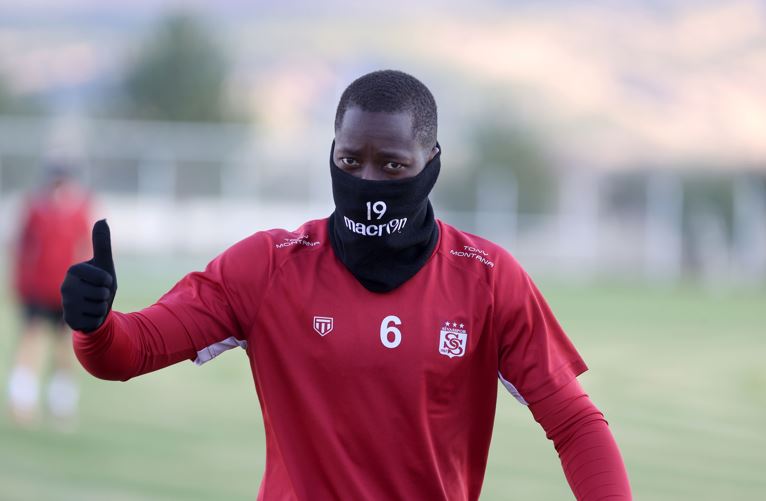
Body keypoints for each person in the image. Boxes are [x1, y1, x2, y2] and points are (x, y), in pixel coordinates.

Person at [61, 70, 631, 499]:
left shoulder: (487, 278)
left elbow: (576, 424)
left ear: (431, 162)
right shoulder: (267, 266)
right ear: (332, 155)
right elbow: (125, 353)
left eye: (392, 165)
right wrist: (94, 324)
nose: (368, 181)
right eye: (351, 160)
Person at [8, 163, 92, 426]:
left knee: (65, 347)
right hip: (37, 289)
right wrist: (20, 282)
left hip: (66, 292)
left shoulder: (79, 210)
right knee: (30, 342)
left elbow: (86, 248)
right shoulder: (35, 208)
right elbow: (21, 246)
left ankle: (61, 404)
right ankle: (22, 402)